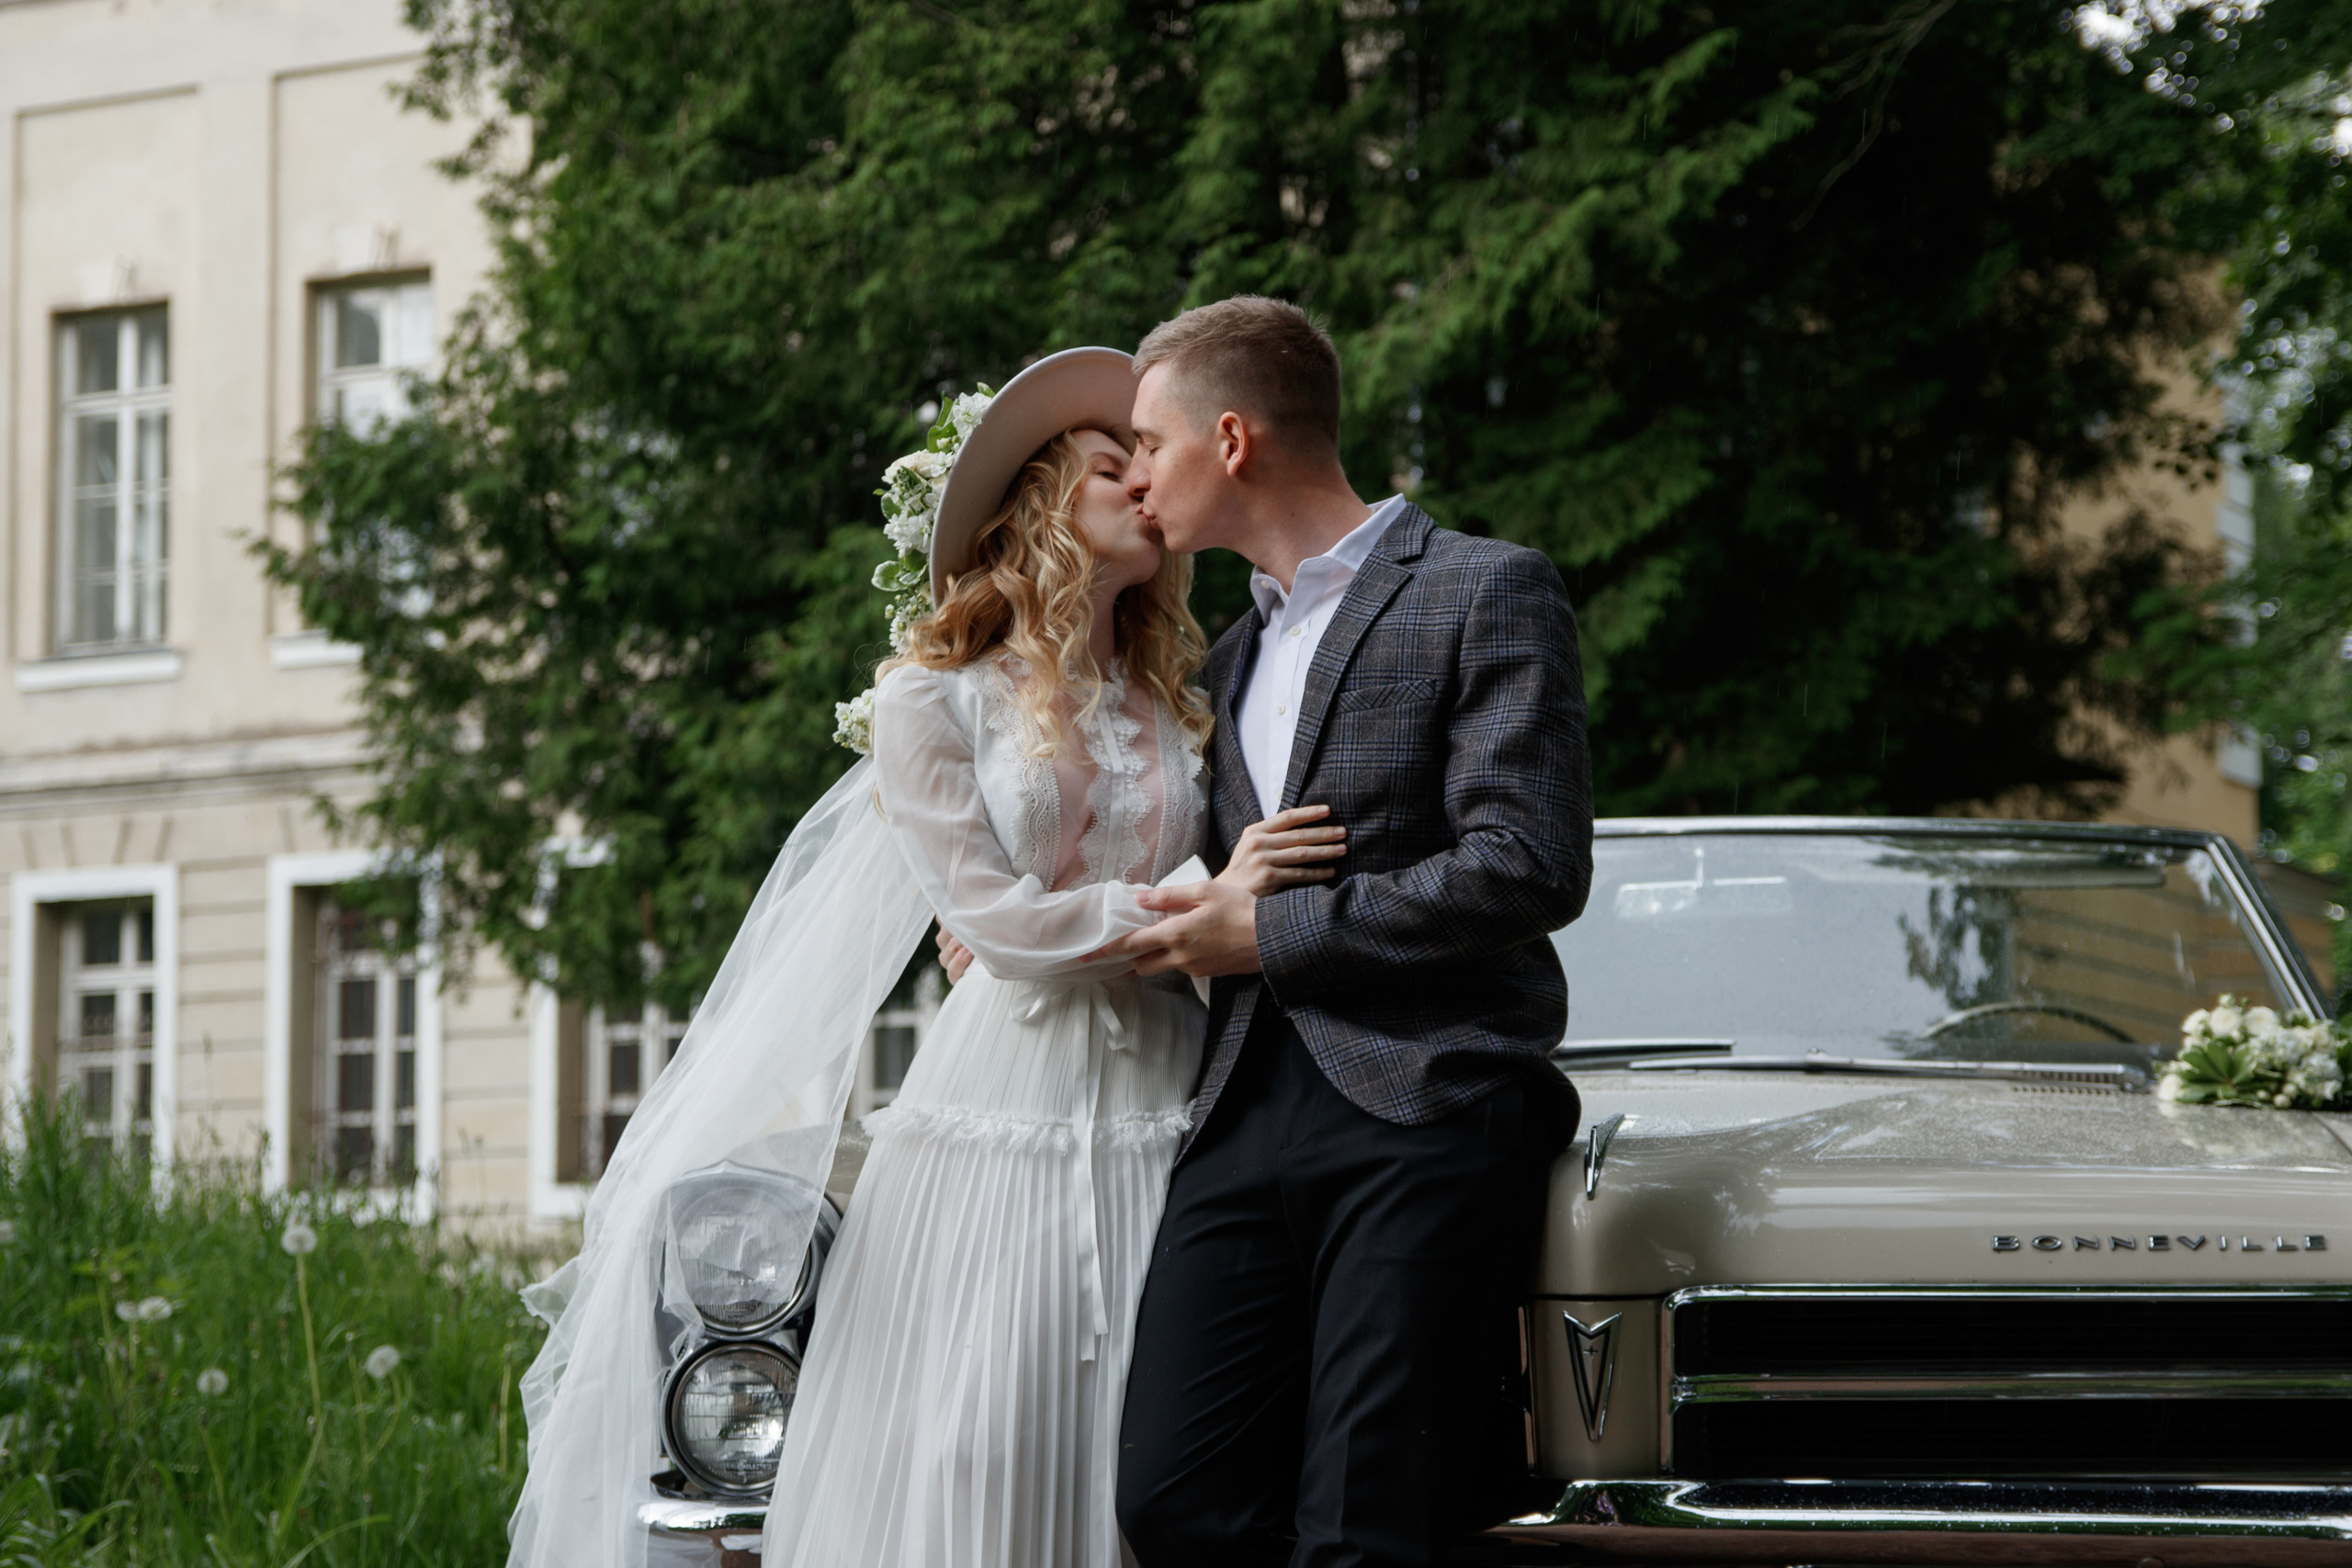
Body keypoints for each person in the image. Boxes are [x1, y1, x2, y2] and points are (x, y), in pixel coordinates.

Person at [505, 346, 1346, 1568]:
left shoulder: (1181, 699)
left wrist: (1196, 922)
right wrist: (1200, 900)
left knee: (1161, 1438)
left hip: (1178, 1090)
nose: (1145, 494)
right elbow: (998, 923)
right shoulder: (934, 702)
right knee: (984, 1437)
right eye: (1113, 470)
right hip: (1007, 1094)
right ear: (1046, 503)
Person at [1098, 298, 1594, 1568]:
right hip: (1236, 1111)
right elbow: (1182, 880)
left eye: (1148, 445)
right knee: (1173, 1500)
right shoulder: (1217, 664)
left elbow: (1525, 865)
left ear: (1231, 437)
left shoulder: (1487, 588)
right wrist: (1019, 927)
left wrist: (1273, 936)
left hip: (1425, 1102)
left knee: (1365, 1525)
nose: (1138, 477)